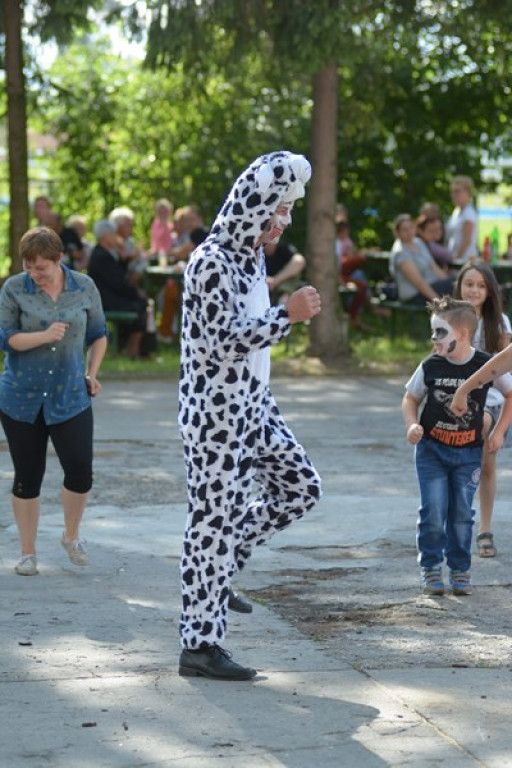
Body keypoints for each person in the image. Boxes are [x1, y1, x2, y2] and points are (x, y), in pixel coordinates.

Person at [178, 150, 322, 680]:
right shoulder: (211, 259)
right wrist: (289, 314)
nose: (283, 222)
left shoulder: (251, 257)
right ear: (253, 208)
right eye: (277, 211)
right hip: (214, 413)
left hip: (256, 404)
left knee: (301, 488)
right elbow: (222, 343)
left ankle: (222, 568)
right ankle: (199, 645)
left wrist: (279, 314)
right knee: (209, 524)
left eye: (287, 212)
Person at [0, 227, 108, 576]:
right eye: (28, 266)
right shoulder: (14, 288)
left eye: (41, 268)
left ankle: (71, 536)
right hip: (21, 397)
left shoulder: (84, 287)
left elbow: (98, 336)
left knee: (80, 470)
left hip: (71, 394)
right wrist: (44, 335)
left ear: (59, 259)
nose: (33, 274)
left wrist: (92, 373)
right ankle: (28, 553)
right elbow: (8, 339)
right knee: (28, 475)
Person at [402, 296, 512, 597]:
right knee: (434, 510)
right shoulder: (430, 366)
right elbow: (410, 398)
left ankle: (460, 569)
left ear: (462, 334)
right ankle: (432, 567)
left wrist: (500, 431)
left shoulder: (485, 364)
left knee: (462, 513)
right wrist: (412, 425)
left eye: (440, 332)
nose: (433, 338)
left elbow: (509, 395)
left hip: (467, 454)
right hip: (432, 451)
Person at [454, 261, 512, 557]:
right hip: (454, 394)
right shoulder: (449, 319)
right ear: (459, 286)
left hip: (490, 395)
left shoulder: (498, 323)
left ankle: (484, 528)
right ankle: (455, 522)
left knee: (485, 460)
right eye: (469, 284)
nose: (474, 290)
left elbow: (505, 371)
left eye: (480, 285)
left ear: (489, 291)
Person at [88, 219, 147, 359]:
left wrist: (125, 259)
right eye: (114, 234)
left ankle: (129, 347)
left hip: (109, 297)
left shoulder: (105, 254)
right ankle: (133, 349)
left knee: (139, 302)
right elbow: (119, 283)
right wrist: (135, 293)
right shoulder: (102, 257)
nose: (117, 237)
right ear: (105, 236)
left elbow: (118, 277)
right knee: (139, 305)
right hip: (105, 300)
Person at [390, 214, 454, 304]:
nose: (409, 232)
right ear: (397, 233)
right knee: (457, 285)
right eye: (404, 229)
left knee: (458, 283)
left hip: (431, 286)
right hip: (415, 295)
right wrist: (438, 301)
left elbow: (434, 268)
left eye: (411, 227)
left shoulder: (418, 242)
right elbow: (419, 283)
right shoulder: (401, 253)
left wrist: (448, 280)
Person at [445, 175, 479, 263]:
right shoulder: (456, 211)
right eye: (452, 191)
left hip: (464, 262)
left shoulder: (469, 213)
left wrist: (455, 259)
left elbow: (467, 241)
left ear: (467, 192)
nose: (454, 195)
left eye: (457, 191)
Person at [264, 239, 306, 305]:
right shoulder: (257, 253)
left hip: (284, 290)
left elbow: (299, 261)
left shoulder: (283, 249)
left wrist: (275, 280)